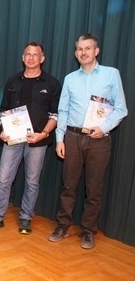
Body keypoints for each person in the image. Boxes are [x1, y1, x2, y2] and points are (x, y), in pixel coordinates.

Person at [48, 33, 127, 249]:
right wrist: (59, 139)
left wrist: (103, 128)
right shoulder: (70, 79)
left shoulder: (111, 75)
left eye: (88, 48)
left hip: (99, 139)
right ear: (76, 53)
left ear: (96, 51)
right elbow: (62, 110)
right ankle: (63, 224)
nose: (83, 52)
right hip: (72, 137)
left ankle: (88, 230)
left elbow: (121, 108)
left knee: (94, 188)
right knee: (68, 185)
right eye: (79, 49)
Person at [0, 42, 61, 234]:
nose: (31, 58)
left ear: (42, 58)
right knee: (3, 179)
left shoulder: (52, 83)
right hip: (12, 140)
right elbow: (3, 111)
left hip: (38, 141)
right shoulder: (12, 81)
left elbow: (55, 115)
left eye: (35, 55)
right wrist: (3, 129)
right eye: (28, 54)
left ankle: (26, 217)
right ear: (23, 57)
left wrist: (44, 133)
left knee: (32, 181)